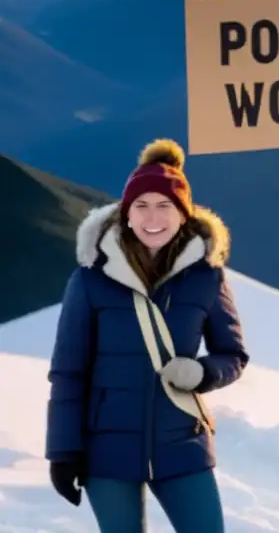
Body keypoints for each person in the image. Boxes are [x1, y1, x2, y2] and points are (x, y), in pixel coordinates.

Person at [44, 138, 249, 533]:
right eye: (141, 206)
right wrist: (62, 451)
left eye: (164, 206)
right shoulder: (91, 281)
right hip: (107, 451)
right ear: (126, 214)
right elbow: (68, 372)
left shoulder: (207, 278)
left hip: (183, 447)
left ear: (183, 215)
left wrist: (202, 373)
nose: (152, 217)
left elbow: (233, 355)